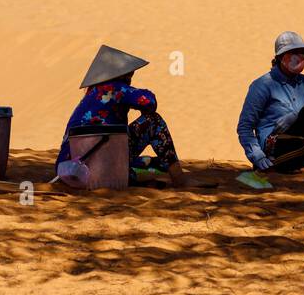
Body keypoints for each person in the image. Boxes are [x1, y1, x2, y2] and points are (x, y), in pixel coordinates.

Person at [57, 44, 208, 188]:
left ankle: (141, 176)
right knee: (153, 121)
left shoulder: (91, 94)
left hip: (69, 168)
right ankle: (179, 179)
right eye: (129, 74)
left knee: (156, 163)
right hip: (100, 164)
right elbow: (149, 102)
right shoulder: (115, 89)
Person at [236, 31, 304, 175]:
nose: (300, 57)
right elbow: (245, 127)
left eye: (303, 53)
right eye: (294, 53)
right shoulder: (262, 85)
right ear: (282, 57)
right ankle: (273, 164)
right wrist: (257, 156)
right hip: (274, 145)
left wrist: (296, 117)